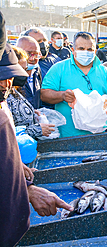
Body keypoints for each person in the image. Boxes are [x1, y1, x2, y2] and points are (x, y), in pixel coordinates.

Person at [0, 43, 73, 247]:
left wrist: (14, 165)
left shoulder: (3, 99)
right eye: (1, 78)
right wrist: (28, 190)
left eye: (11, 77)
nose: (7, 84)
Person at [40, 31, 107, 138]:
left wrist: (104, 100)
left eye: (90, 49)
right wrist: (62, 95)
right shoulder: (59, 68)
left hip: (99, 133)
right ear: (73, 50)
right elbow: (44, 94)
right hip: (68, 135)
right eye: (81, 49)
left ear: (95, 51)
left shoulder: (104, 71)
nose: (86, 52)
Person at [8, 46, 56, 139]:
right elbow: (7, 134)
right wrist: (36, 130)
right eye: (21, 69)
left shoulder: (13, 90)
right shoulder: (4, 95)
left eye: (26, 69)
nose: (25, 74)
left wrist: (30, 113)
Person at [16, 36, 42, 109]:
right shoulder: (12, 75)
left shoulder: (37, 71)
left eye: (36, 54)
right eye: (28, 54)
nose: (32, 58)